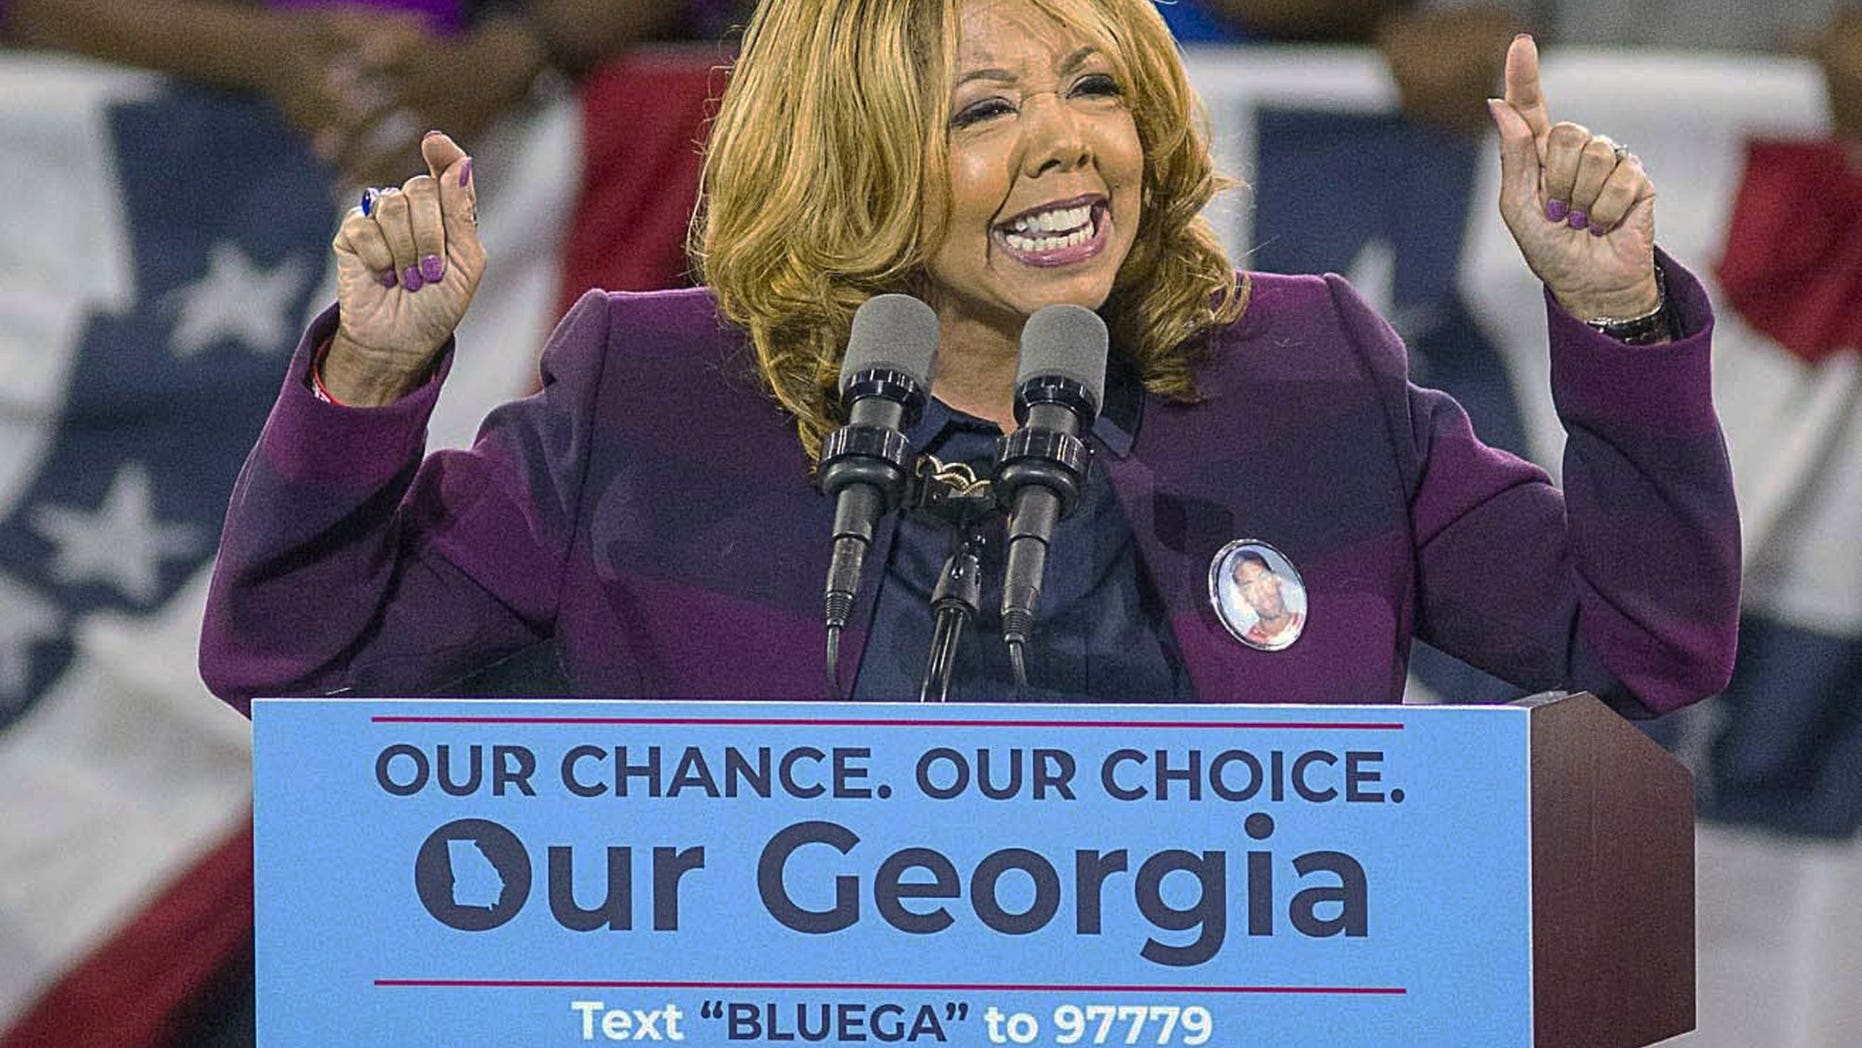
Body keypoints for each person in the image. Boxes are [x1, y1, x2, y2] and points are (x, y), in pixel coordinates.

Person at [199, 0, 1739, 715]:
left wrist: (1613, 322)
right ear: (849, 163)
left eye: (1093, 86)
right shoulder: (651, 394)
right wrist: (373, 382)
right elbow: (298, 664)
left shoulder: (1300, 369)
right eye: (981, 111)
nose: (1068, 145)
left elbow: (1639, 647)